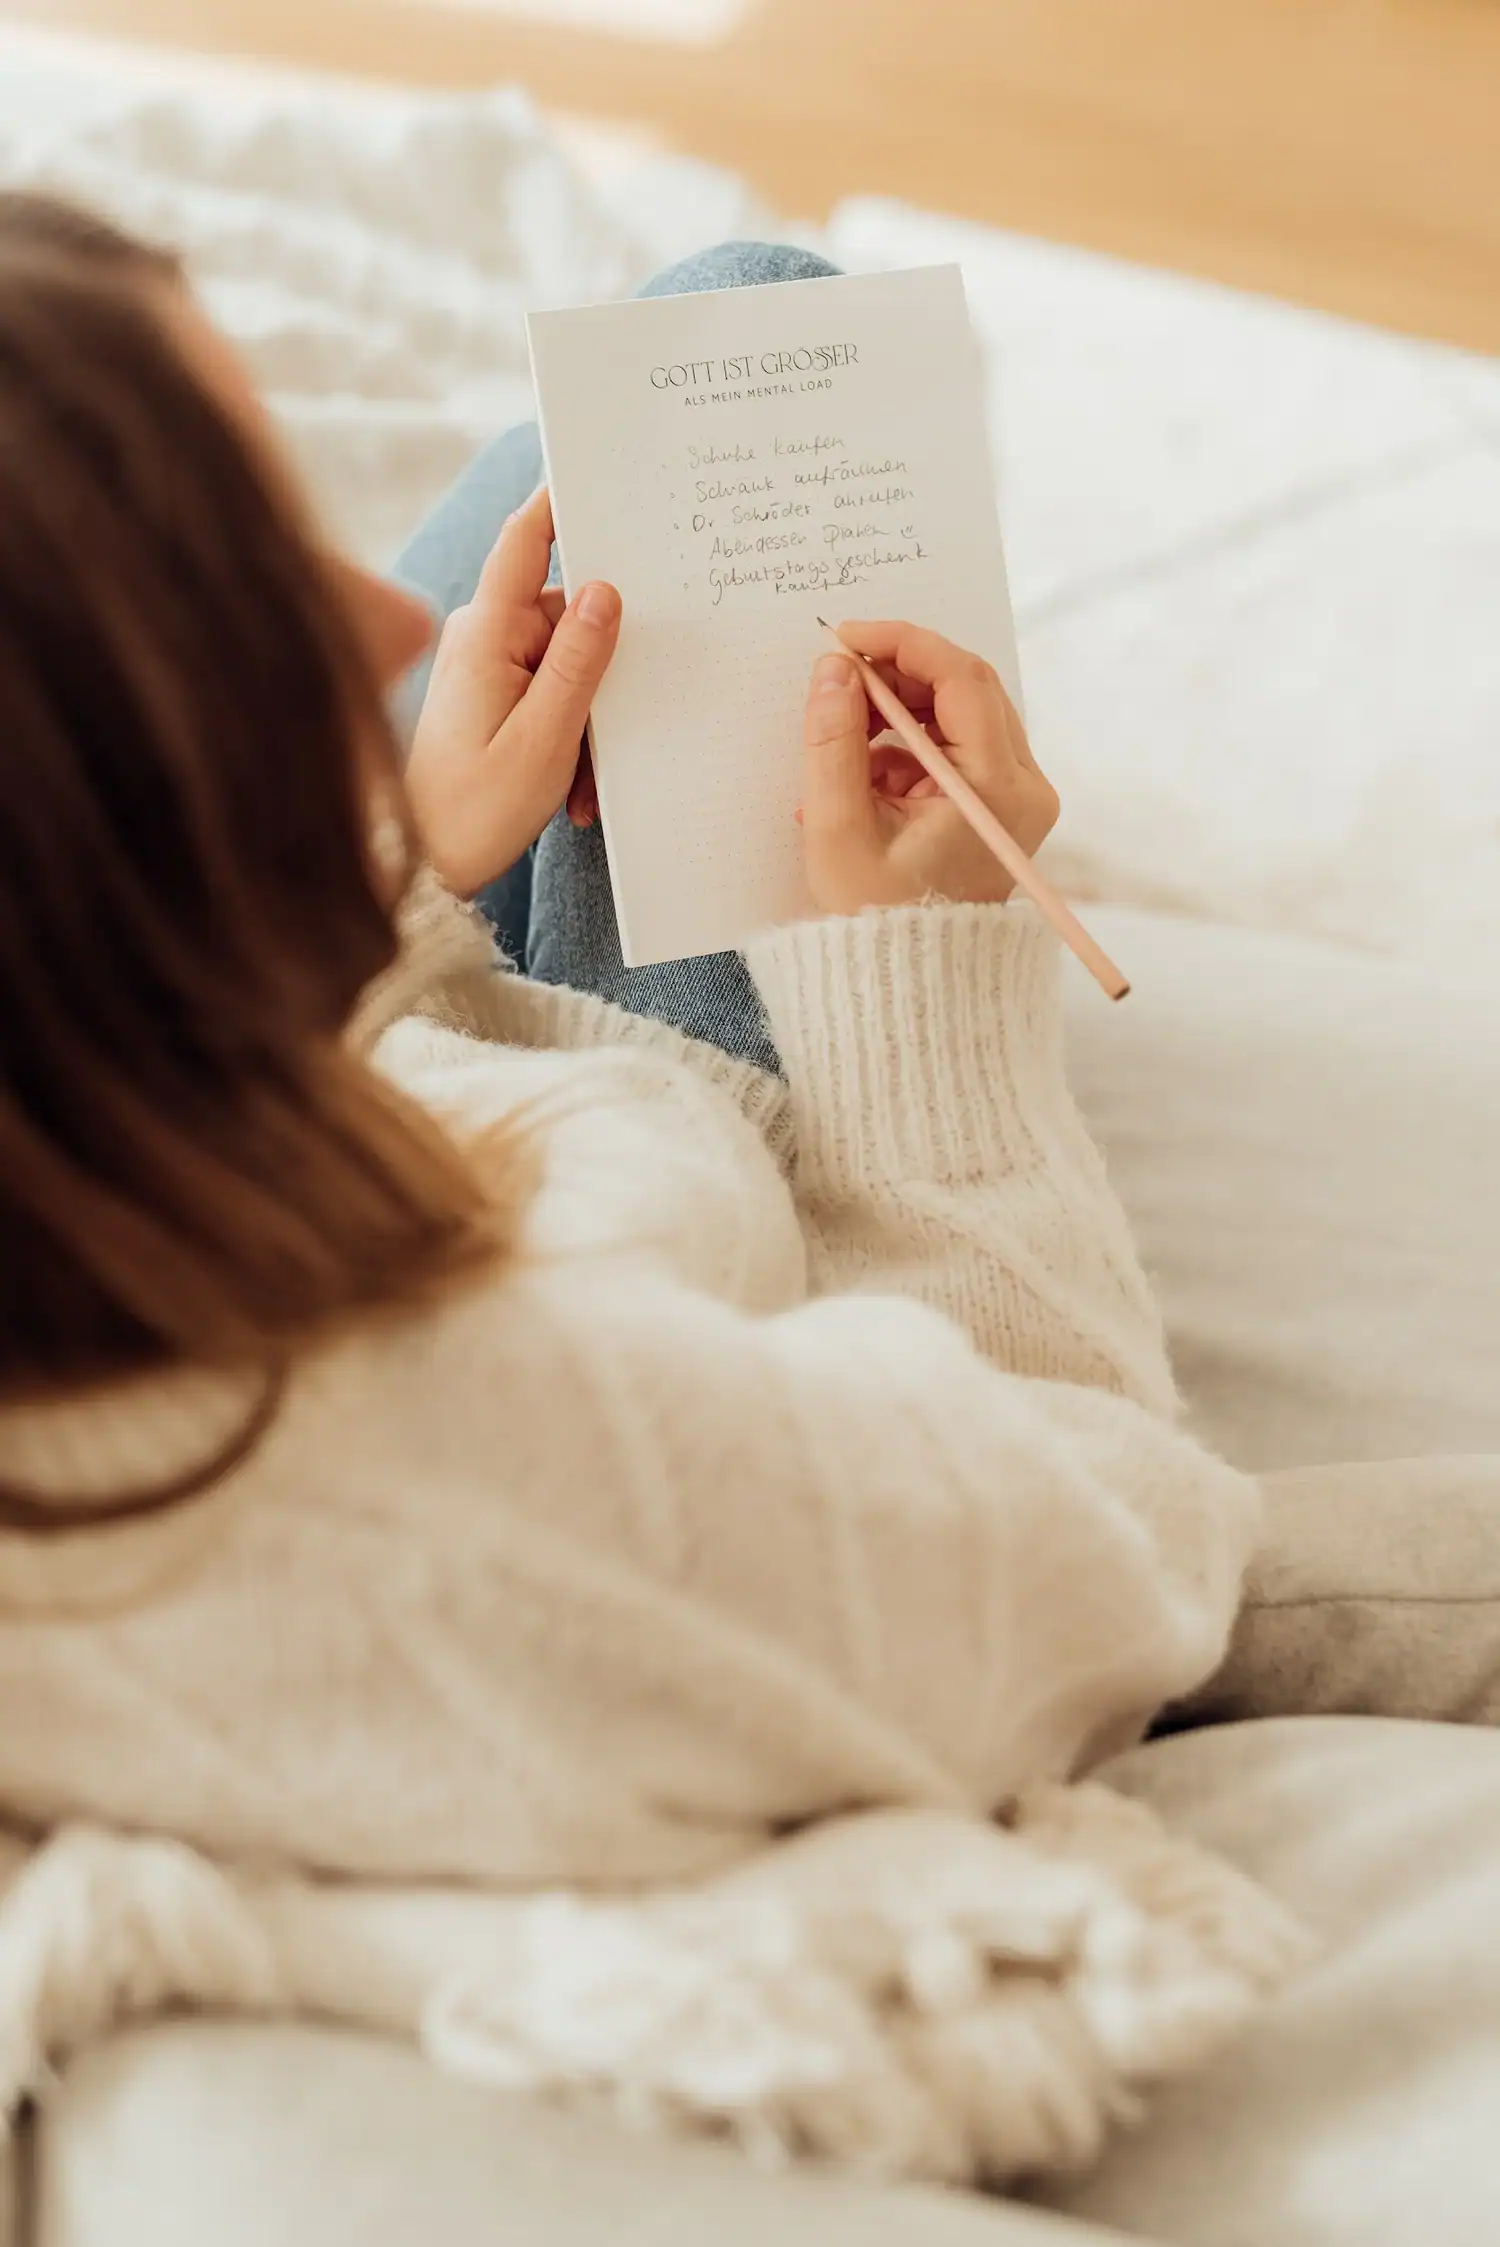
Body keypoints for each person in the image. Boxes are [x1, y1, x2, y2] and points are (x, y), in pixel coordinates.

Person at [0, 195, 1292, 2180]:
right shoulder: (421, 1488)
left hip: (332, 1018)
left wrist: (385, 897)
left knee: (630, 432)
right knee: (743, 332)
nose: (375, 624)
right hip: (581, 1130)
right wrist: (919, 999)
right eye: (255, 572)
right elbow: (1097, 1539)